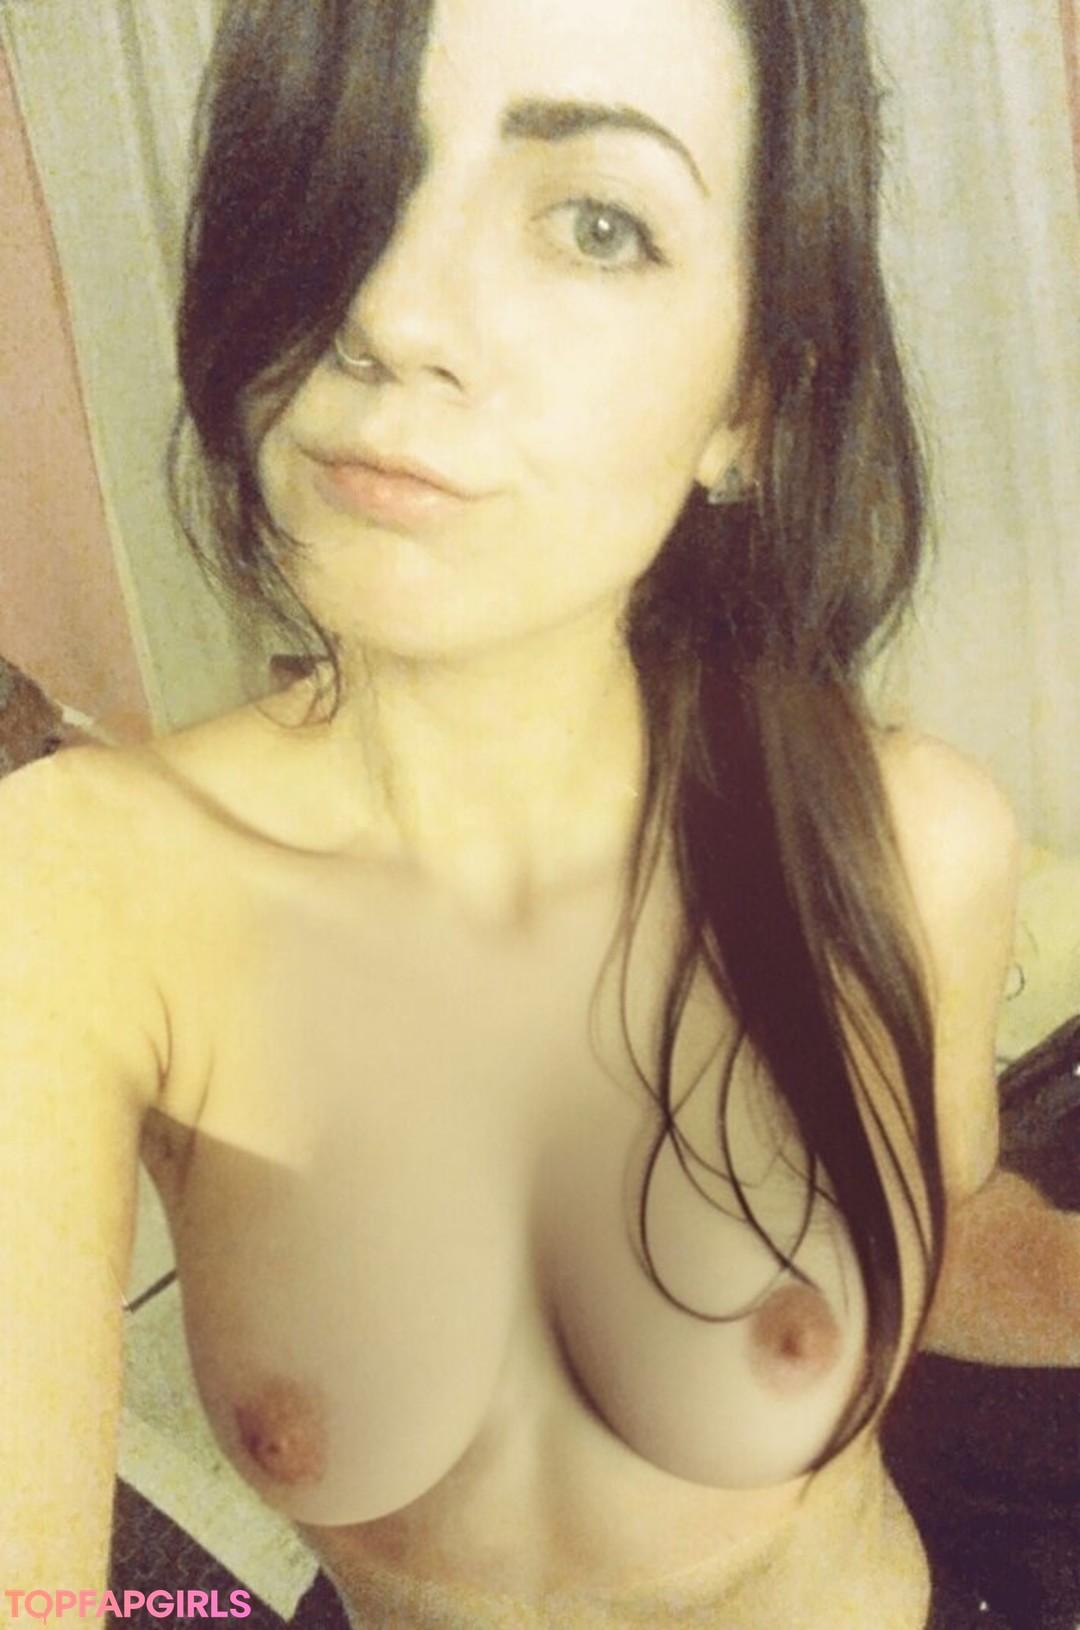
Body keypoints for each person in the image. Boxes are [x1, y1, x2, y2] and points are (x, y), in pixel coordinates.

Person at [8, 0, 1072, 1624]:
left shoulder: (918, 846)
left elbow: (948, 1230)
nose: (389, 309)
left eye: (595, 224)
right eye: (352, 170)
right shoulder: (87, 895)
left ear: (750, 405)